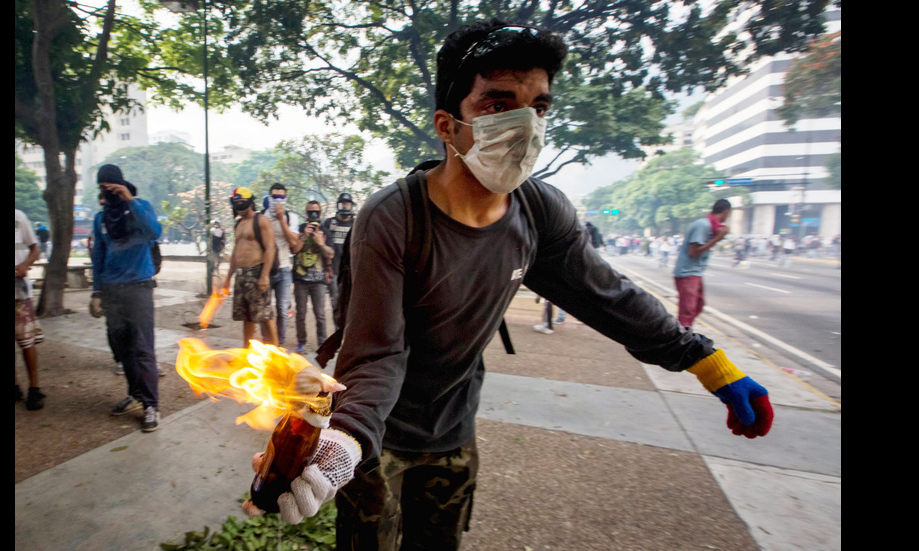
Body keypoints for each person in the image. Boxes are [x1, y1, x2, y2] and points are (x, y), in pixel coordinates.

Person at [258, 21, 774, 549]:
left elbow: (609, 296)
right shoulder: (394, 216)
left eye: (540, 107)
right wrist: (345, 442)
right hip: (376, 431)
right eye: (497, 104)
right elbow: (376, 353)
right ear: (447, 125)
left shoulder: (539, 212)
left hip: (454, 427)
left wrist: (707, 363)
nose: (525, 126)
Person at [89, 164, 163, 432]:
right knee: (122, 349)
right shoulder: (101, 219)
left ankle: (151, 405)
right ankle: (135, 393)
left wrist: (129, 200)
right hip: (112, 290)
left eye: (111, 186)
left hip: (139, 287)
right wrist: (97, 291)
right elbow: (98, 256)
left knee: (143, 348)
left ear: (121, 184)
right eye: (102, 188)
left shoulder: (140, 207)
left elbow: (155, 232)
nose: (107, 192)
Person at [223, 187, 279, 348]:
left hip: (257, 272)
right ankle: (247, 350)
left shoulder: (261, 220)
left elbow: (270, 248)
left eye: (242, 203)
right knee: (247, 316)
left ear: (250, 203)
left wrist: (265, 275)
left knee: (265, 314)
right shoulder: (238, 224)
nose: (239, 206)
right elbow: (235, 252)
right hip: (241, 275)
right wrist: (228, 278)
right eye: (236, 203)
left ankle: (276, 352)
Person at [673, 199, 732, 328]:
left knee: (698, 305)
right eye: (728, 214)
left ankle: (682, 331)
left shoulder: (710, 226)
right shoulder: (703, 226)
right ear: (726, 212)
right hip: (687, 272)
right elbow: (693, 252)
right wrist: (716, 239)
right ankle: (681, 338)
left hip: (695, 272)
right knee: (687, 311)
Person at [261, 184, 302, 348]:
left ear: (285, 199)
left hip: (284, 269)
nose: (278, 200)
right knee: (265, 308)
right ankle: (266, 342)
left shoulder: (291, 217)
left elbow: (293, 242)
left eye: (281, 197)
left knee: (282, 309)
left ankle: (279, 342)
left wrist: (280, 219)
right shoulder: (261, 217)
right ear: (269, 197)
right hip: (265, 269)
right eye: (275, 197)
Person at [292, 200, 334, 353]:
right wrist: (304, 236)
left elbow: (331, 253)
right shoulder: (299, 229)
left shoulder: (325, 232)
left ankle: (322, 343)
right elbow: (293, 250)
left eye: (316, 212)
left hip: (319, 280)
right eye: (310, 212)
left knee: (320, 314)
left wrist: (320, 242)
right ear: (306, 213)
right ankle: (301, 343)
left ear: (321, 213)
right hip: (300, 279)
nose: (313, 215)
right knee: (301, 313)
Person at [16, 209, 45, 411]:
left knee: (27, 342)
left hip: (19, 291)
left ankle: (34, 388)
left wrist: (25, 264)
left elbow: (35, 248)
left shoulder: (18, 217)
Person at [320, 192, 356, 330]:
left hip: (351, 269)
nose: (345, 207)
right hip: (334, 269)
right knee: (336, 302)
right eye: (342, 204)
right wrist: (326, 268)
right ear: (338, 205)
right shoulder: (329, 223)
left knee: (351, 303)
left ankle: (349, 335)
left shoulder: (356, 223)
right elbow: (325, 247)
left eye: (347, 204)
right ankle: (337, 333)